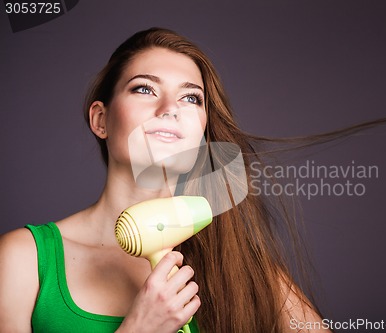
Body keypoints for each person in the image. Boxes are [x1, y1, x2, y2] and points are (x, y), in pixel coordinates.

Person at [0, 27, 331, 333]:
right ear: (101, 119)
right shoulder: (23, 259)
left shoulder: (236, 261)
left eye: (191, 98)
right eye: (145, 89)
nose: (170, 108)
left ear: (202, 130)